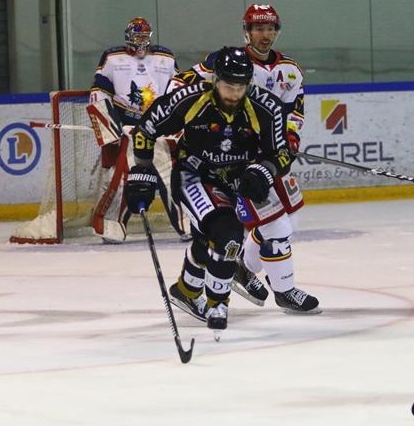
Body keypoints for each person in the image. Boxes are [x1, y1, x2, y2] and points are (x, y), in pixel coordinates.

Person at [123, 47, 294, 337]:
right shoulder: (189, 99)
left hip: (237, 181)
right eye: (228, 86)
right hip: (195, 176)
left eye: (240, 87)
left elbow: (282, 153)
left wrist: (264, 170)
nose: (234, 93)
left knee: (208, 238)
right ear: (215, 80)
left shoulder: (267, 108)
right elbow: (146, 129)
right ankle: (218, 305)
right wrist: (142, 169)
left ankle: (187, 290)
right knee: (228, 237)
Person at [166, 4, 319, 314]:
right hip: (229, 161)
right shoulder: (225, 62)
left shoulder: (290, 71)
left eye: (270, 28)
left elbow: (295, 113)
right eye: (258, 28)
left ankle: (232, 271)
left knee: (290, 218)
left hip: (268, 158)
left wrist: (289, 140)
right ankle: (284, 289)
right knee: (274, 224)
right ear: (246, 32)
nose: (265, 34)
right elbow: (179, 86)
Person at [88, 17, 189, 243]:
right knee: (125, 176)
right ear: (128, 37)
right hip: (130, 130)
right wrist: (110, 129)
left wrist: (179, 125)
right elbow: (98, 93)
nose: (141, 42)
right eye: (137, 37)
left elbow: (179, 92)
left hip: (160, 129)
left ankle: (187, 222)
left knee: (172, 175)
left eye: (145, 37)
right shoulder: (113, 58)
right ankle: (111, 225)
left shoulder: (165, 58)